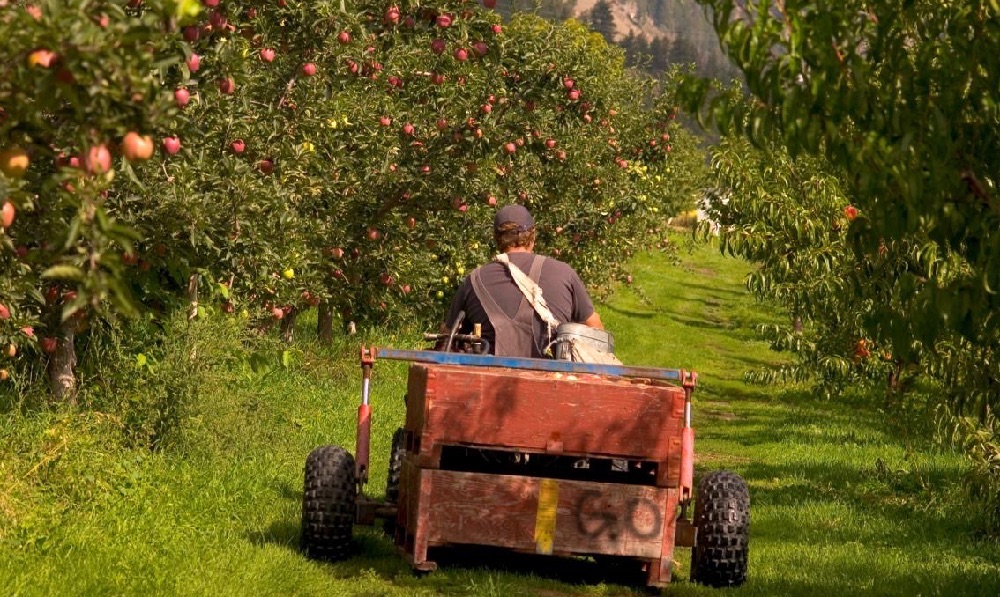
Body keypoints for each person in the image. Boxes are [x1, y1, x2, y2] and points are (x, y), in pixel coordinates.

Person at [443, 204, 603, 357]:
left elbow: (447, 337)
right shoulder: (564, 273)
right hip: (554, 379)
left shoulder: (474, 279)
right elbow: (596, 332)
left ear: (496, 238)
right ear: (533, 235)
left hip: (488, 379)